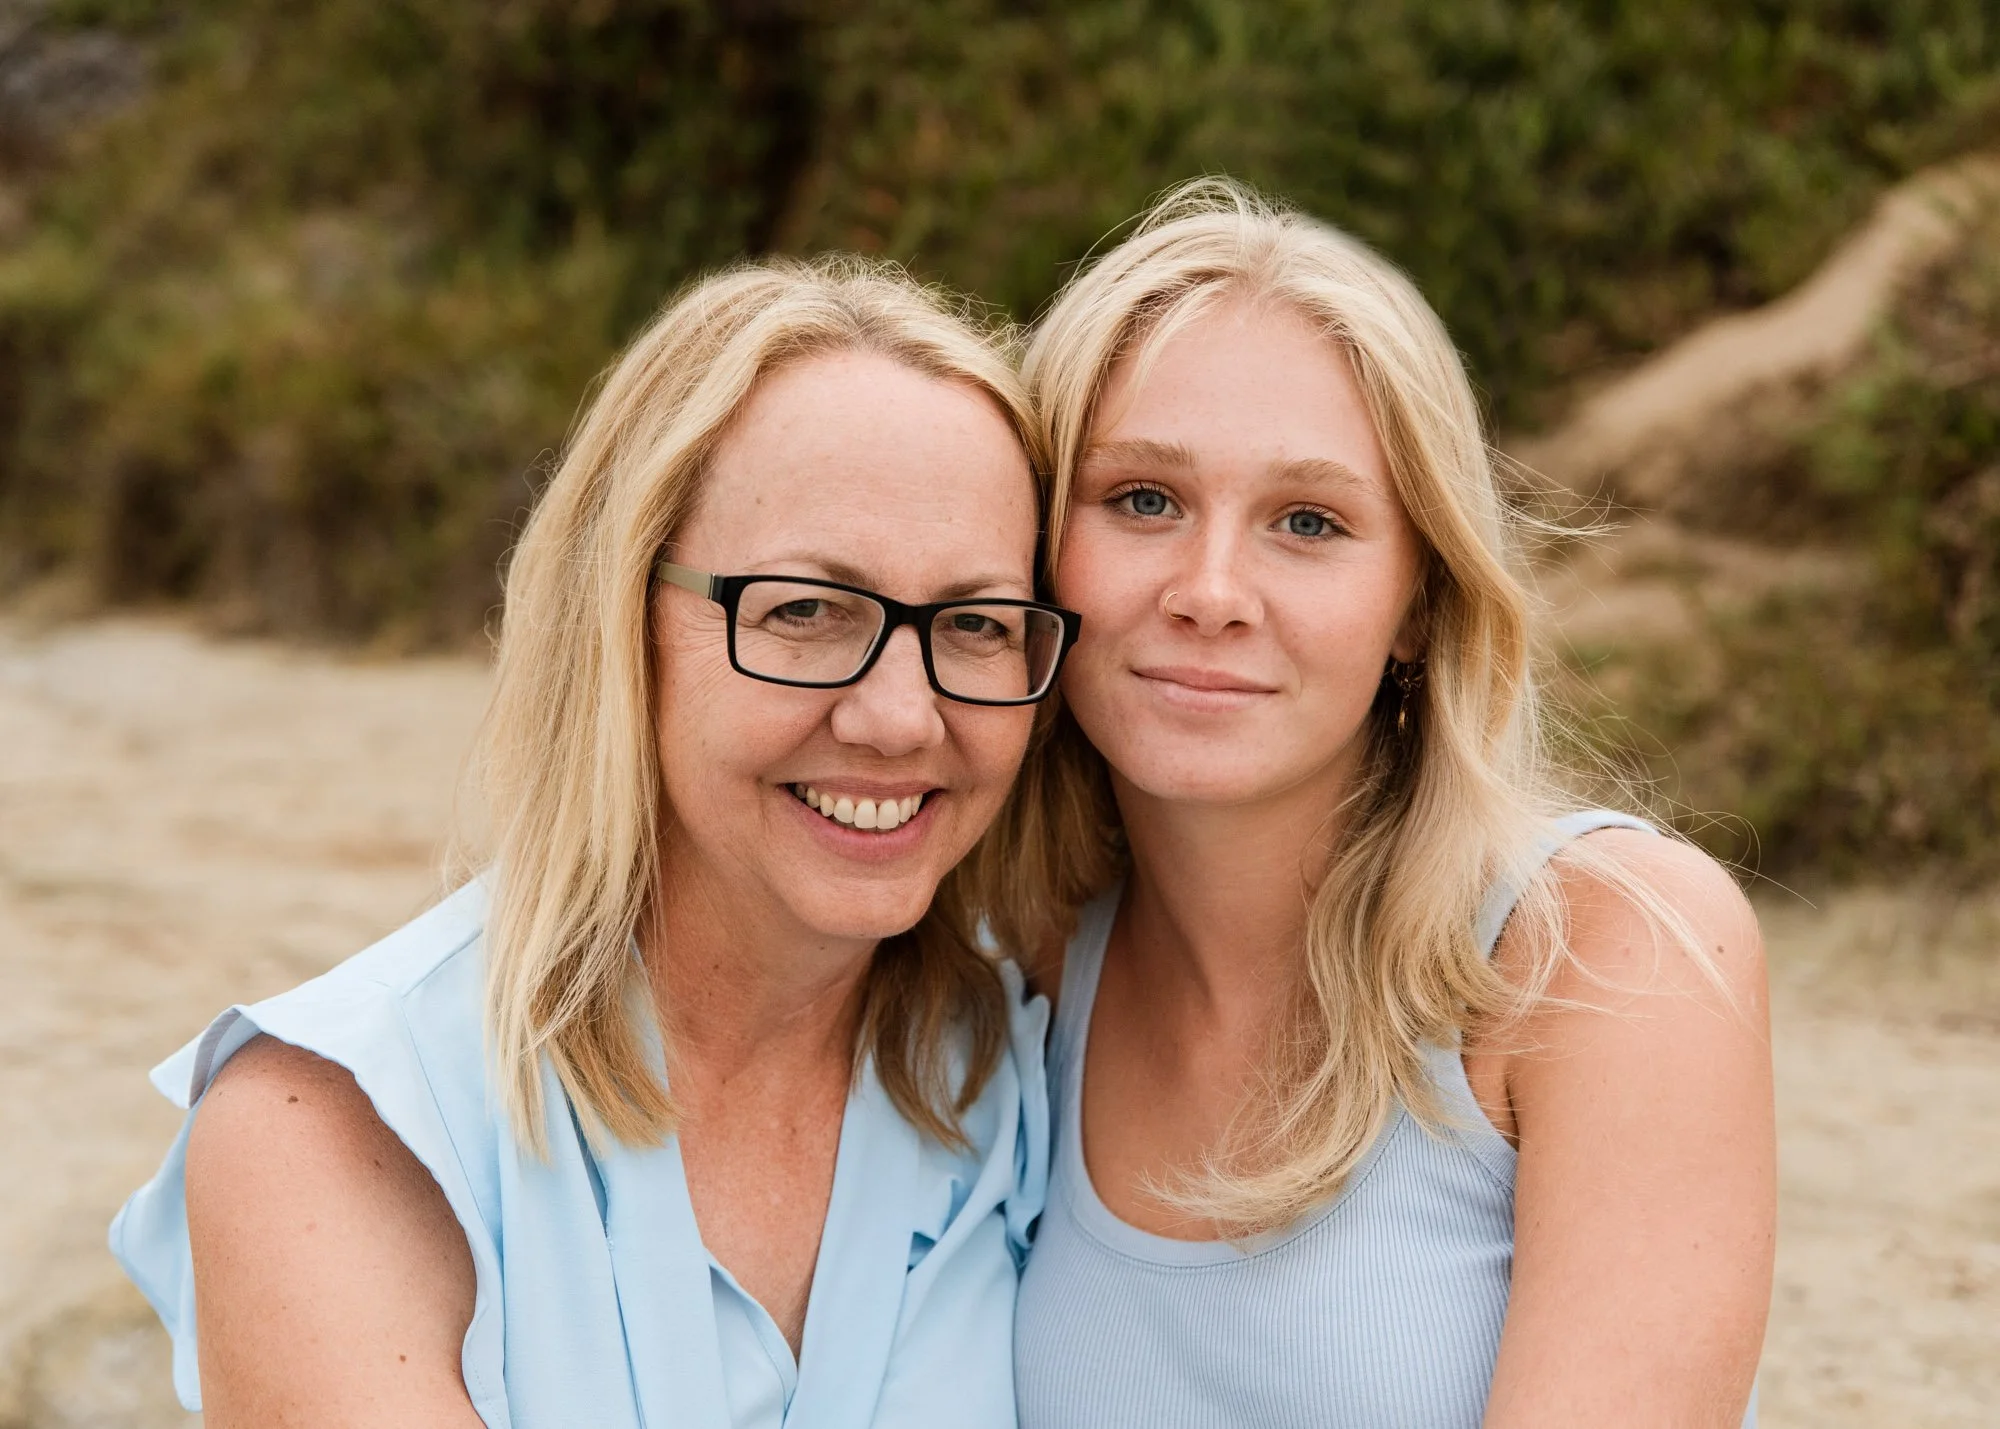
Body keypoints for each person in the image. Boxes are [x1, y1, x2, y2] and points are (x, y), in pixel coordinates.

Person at [111, 256, 1077, 1429]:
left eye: (974, 623)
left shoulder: (1013, 1073)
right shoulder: (329, 1134)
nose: (897, 718)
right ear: (624, 621)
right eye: (804, 611)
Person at [1002, 181, 1774, 1427]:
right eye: (1141, 498)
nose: (1210, 589)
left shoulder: (1600, 948)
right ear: (1036, 549)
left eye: (1307, 522)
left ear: (1418, 600)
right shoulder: (1018, 969)